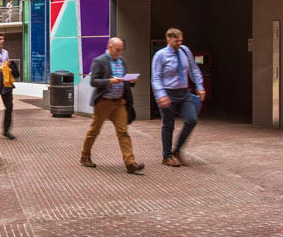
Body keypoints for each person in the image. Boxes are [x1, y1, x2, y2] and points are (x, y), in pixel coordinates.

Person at [80, 37, 144, 174]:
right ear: (109, 46)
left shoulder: (122, 61)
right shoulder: (99, 61)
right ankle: (85, 156)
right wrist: (110, 81)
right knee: (94, 131)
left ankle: (130, 163)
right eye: (117, 50)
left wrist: (131, 81)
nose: (119, 53)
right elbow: (94, 82)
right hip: (104, 102)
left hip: (119, 102)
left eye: (121, 50)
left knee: (123, 132)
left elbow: (126, 80)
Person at [151, 27, 205, 165]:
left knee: (191, 120)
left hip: (184, 92)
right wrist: (161, 95)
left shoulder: (185, 51)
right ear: (168, 39)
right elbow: (156, 78)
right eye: (176, 41)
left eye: (181, 41)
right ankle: (167, 156)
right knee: (168, 124)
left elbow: (194, 69)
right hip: (168, 93)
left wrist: (199, 86)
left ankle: (178, 150)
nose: (179, 43)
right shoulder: (160, 55)